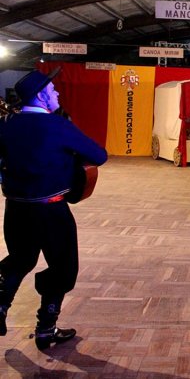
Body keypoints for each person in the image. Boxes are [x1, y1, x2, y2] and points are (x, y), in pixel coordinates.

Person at [0, 68, 108, 349]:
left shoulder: (6, 124)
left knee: (20, 259)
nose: (56, 92)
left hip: (15, 209)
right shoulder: (57, 125)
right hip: (51, 212)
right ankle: (46, 328)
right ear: (40, 96)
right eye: (52, 89)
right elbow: (99, 155)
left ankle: (0, 305)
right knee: (63, 267)